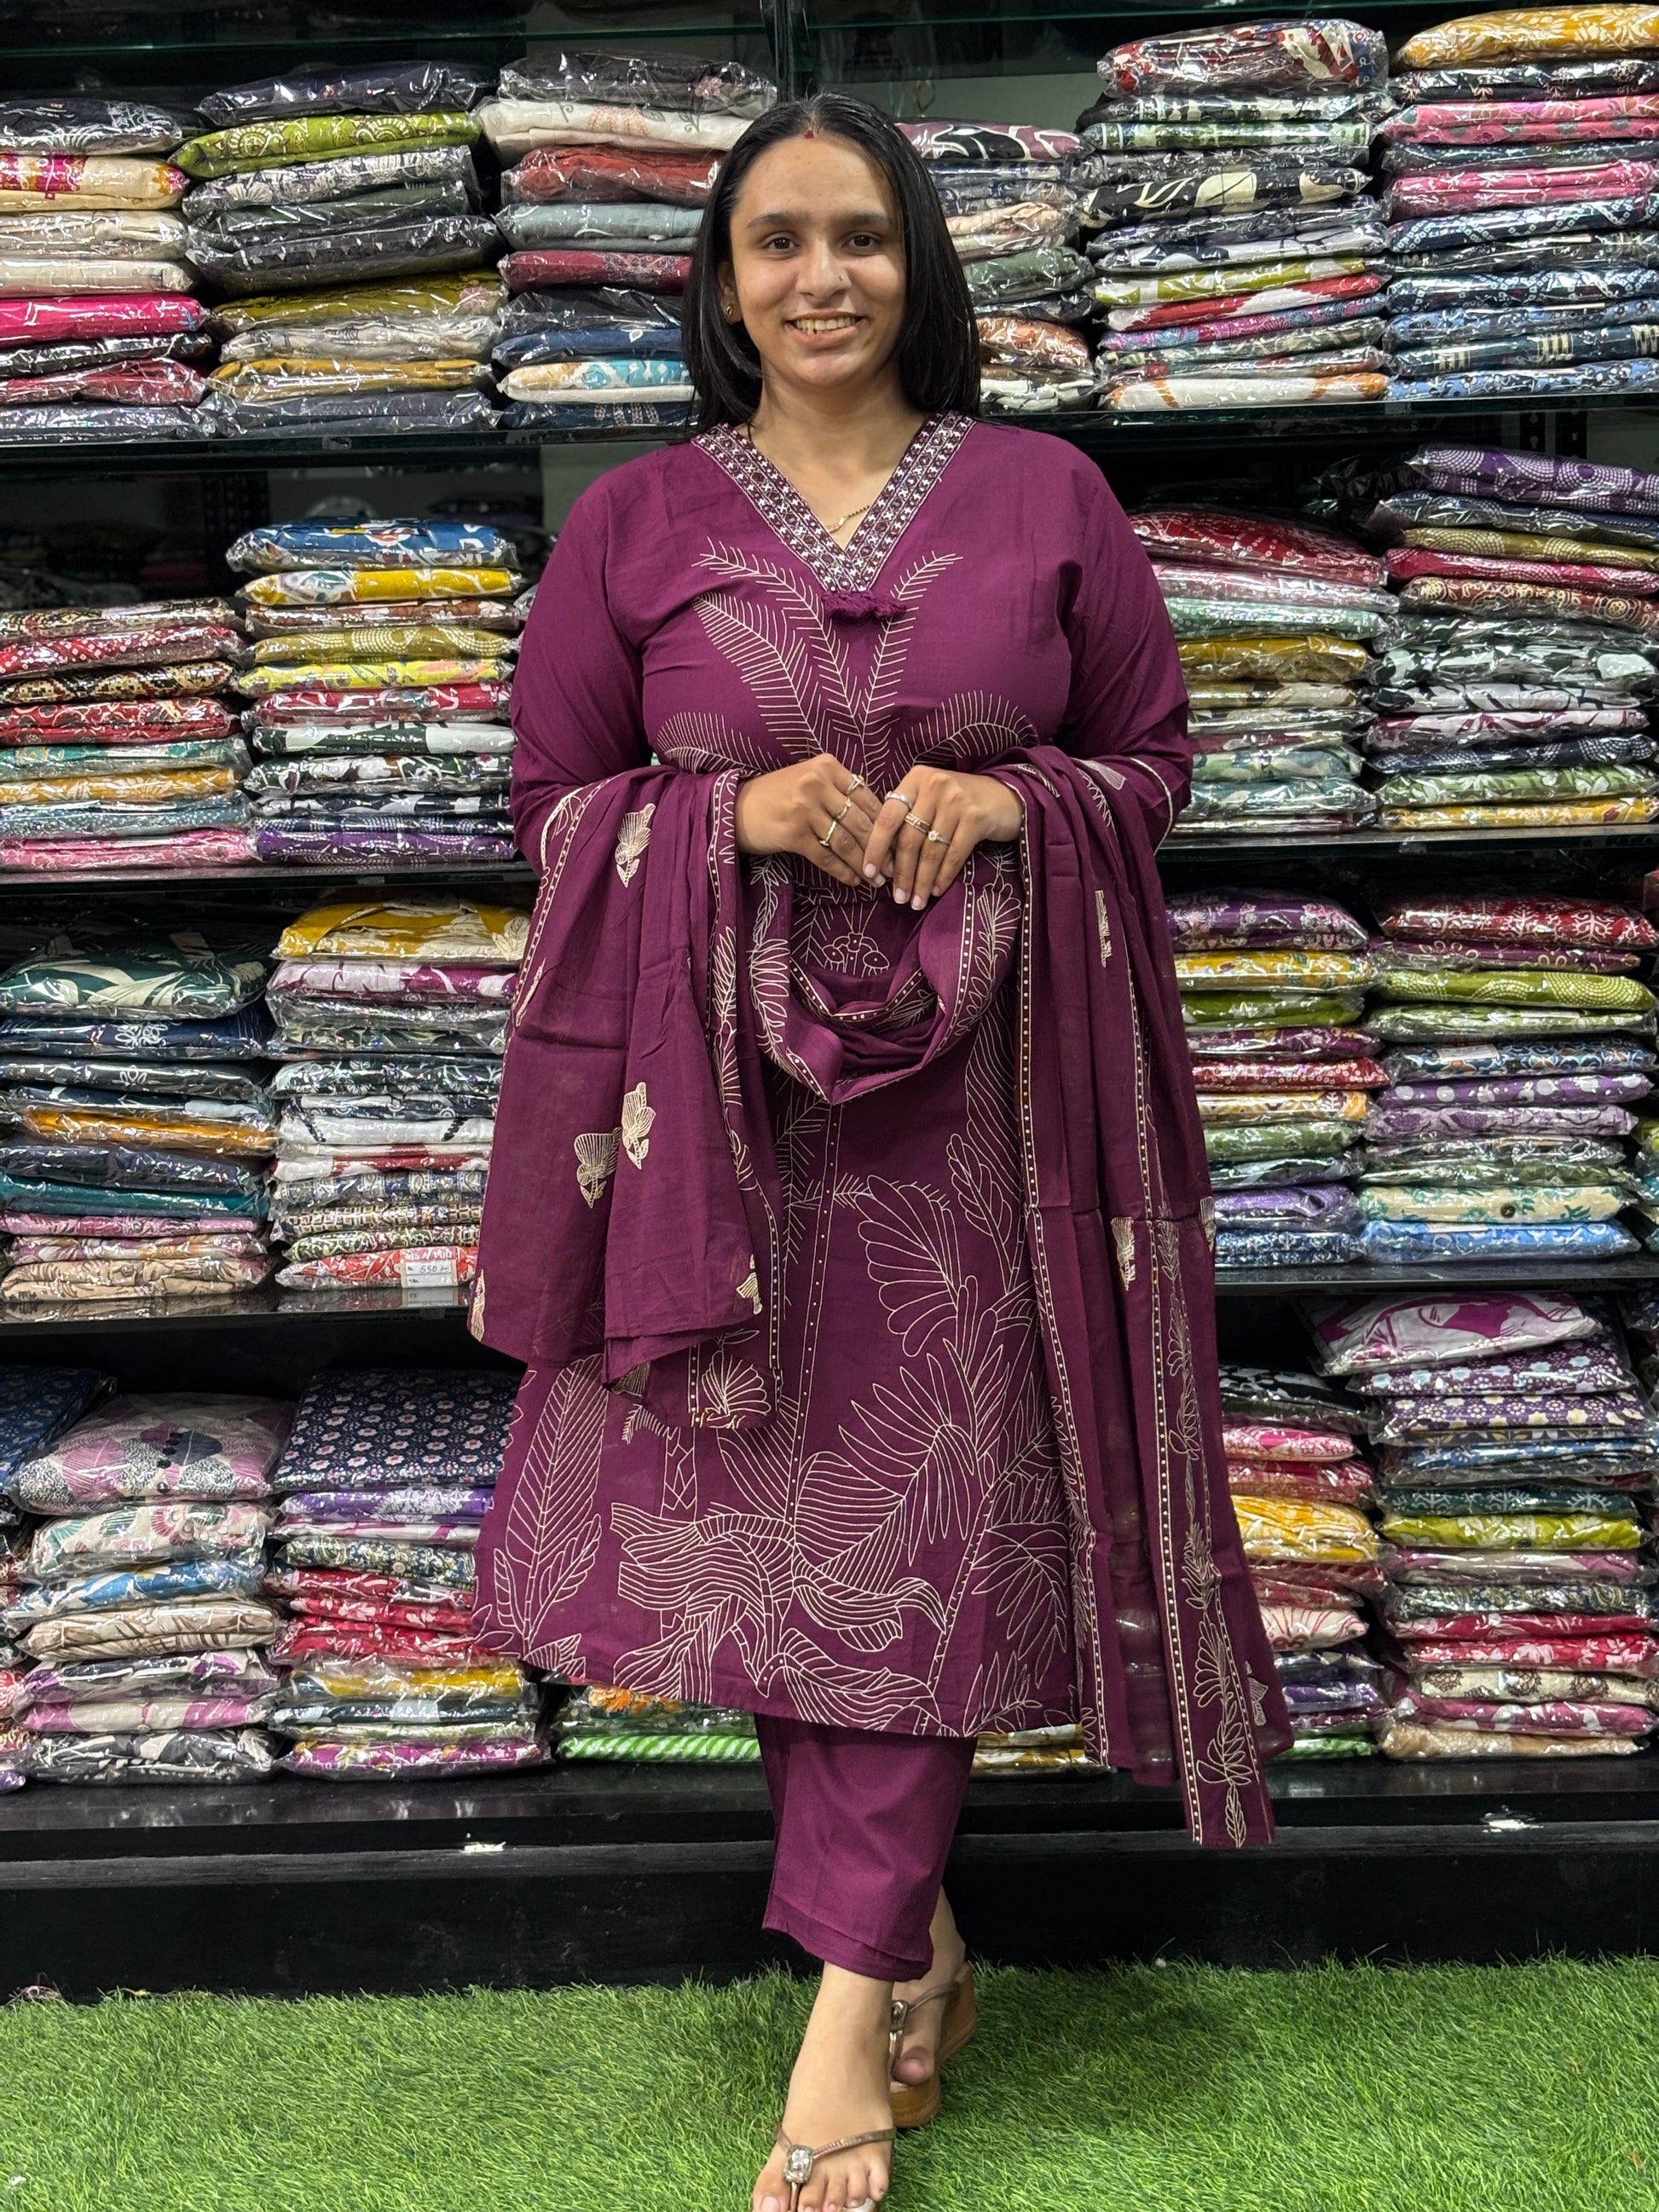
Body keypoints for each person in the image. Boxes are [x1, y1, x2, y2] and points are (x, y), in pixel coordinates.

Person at [469, 90, 1289, 2212]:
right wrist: (724, 815)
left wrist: (1014, 801)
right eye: (776, 242)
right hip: (720, 1123)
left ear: (918, 258)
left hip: (990, 1117)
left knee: (918, 1535)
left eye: (858, 234)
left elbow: (1150, 759)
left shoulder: (1046, 494)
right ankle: (906, 1936)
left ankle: (840, 2014)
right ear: (723, 283)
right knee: (782, 1539)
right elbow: (550, 808)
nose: (820, 276)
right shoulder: (633, 520)